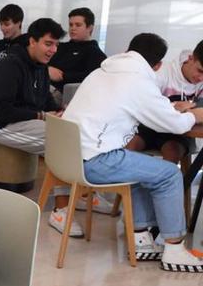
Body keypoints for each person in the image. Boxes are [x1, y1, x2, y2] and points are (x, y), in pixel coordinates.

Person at [62, 33, 203, 271]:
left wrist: (173, 109)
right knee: (170, 174)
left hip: (69, 156)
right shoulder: (138, 81)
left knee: (139, 166)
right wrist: (196, 114)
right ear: (157, 65)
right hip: (95, 160)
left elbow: (143, 105)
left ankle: (140, 238)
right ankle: (174, 248)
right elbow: (176, 125)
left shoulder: (101, 72)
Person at [0, 18, 77, 237]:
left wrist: (60, 111)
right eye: (48, 44)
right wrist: (42, 115)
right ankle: (60, 210)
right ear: (32, 41)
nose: (53, 50)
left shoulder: (40, 67)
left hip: (26, 122)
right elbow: (3, 111)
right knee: (61, 142)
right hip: (1, 125)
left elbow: (45, 101)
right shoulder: (10, 66)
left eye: (56, 45)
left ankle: (83, 194)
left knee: (71, 131)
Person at [126, 39, 203, 164]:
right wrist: (174, 107)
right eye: (200, 71)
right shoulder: (163, 72)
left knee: (173, 152)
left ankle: (165, 182)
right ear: (191, 58)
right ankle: (131, 182)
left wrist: (190, 108)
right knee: (128, 146)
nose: (201, 78)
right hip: (150, 126)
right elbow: (146, 104)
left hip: (181, 133)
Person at [47, 7, 107, 98]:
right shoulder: (59, 47)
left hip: (63, 95)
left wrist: (64, 76)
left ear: (90, 28)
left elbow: (92, 78)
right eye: (71, 25)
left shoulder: (96, 54)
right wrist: (46, 69)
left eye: (78, 25)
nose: (73, 28)